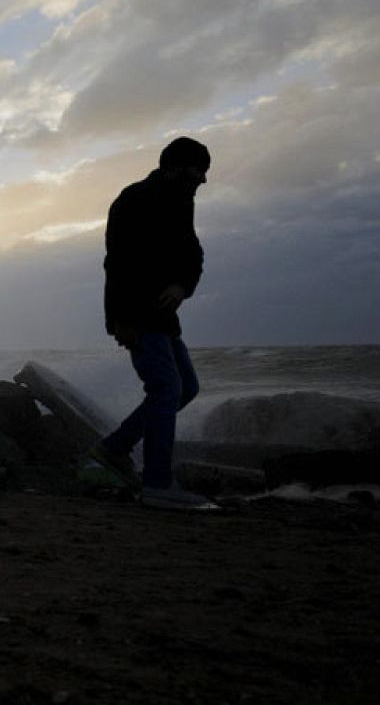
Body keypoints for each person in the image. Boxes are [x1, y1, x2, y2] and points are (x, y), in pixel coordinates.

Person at [88, 137, 214, 510]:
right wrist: (121, 321)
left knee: (185, 387)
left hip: (162, 315)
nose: (203, 180)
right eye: (199, 172)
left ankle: (113, 448)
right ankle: (158, 482)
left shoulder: (181, 202)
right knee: (165, 387)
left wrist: (182, 285)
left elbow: (193, 254)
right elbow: (117, 264)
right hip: (137, 314)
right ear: (176, 167)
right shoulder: (134, 199)